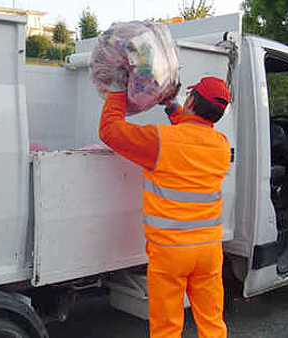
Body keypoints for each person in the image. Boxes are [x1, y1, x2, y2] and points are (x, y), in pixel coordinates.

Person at [99, 72, 231, 338]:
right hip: (208, 251)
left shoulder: (160, 141)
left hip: (170, 253)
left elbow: (109, 130)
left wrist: (116, 89)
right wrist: (172, 107)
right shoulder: (221, 145)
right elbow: (192, 133)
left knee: (167, 328)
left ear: (191, 101)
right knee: (212, 323)